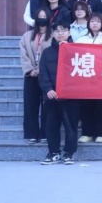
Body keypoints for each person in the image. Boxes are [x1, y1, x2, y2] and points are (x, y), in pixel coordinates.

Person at [38, 20, 79, 165]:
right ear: (53, 33)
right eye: (57, 31)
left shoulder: (77, 51)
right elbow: (43, 73)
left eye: (64, 30)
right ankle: (53, 153)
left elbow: (81, 73)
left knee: (71, 126)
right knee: (51, 126)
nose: (60, 33)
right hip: (52, 96)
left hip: (71, 96)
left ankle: (69, 153)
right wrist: (48, 89)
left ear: (69, 32)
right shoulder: (47, 52)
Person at [75, 13, 102, 144]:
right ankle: (87, 133)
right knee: (86, 107)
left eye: (98, 21)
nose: (95, 24)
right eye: (92, 21)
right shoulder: (81, 40)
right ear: (88, 23)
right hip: (85, 79)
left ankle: (101, 134)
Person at [20, 7, 52, 144]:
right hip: (31, 76)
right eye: (39, 16)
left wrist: (41, 69)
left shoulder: (53, 35)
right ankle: (31, 133)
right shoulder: (27, 36)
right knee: (30, 105)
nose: (42, 19)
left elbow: (52, 55)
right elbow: (23, 54)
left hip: (47, 76)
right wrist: (30, 69)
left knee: (47, 106)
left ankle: (45, 133)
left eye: (44, 16)